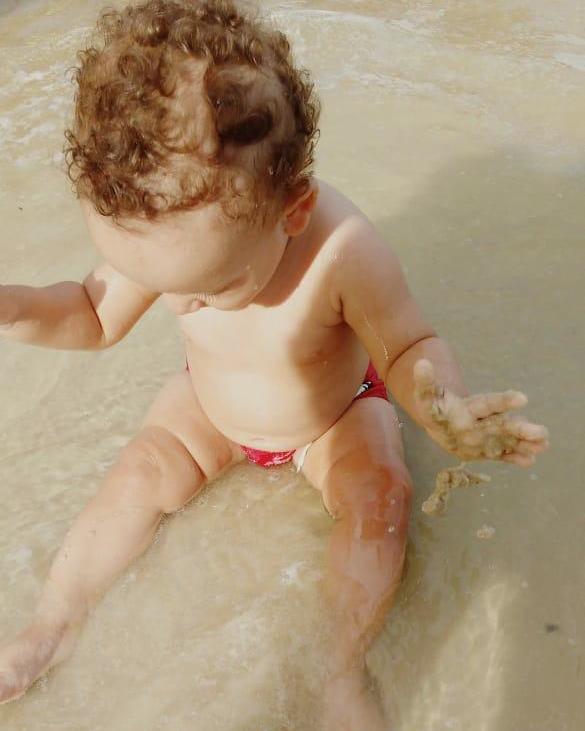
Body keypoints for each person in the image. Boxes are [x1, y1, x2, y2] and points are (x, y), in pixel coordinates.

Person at [0, 1, 548, 727]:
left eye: (211, 285)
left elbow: (408, 345)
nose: (183, 304)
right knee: (139, 472)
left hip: (334, 414)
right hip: (209, 407)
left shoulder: (342, 250)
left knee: (379, 498)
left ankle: (339, 665)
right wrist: (12, 306)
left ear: (293, 210)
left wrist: (438, 402)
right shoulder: (172, 231)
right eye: (163, 285)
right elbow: (93, 315)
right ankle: (52, 625)